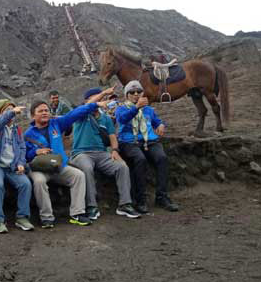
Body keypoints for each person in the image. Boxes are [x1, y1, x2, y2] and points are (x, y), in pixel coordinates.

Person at [25, 99, 108, 228]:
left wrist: (95, 105)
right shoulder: (28, 134)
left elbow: (74, 114)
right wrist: (36, 152)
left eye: (46, 110)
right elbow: (25, 155)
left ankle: (77, 213)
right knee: (39, 181)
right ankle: (46, 217)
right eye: (40, 111)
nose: (44, 113)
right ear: (33, 115)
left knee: (78, 175)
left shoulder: (56, 124)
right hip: (39, 168)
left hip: (58, 166)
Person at [70, 88, 140, 220]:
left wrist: (114, 150)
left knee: (122, 167)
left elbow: (112, 136)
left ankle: (125, 204)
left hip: (101, 153)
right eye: (97, 98)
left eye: (101, 98)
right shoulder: (81, 114)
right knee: (87, 168)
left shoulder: (106, 118)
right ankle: (91, 206)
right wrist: (102, 94)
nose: (101, 100)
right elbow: (88, 106)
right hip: (81, 153)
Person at [115, 80, 179, 213]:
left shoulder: (148, 109)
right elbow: (122, 119)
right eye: (132, 92)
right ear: (127, 95)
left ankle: (162, 196)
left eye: (139, 91)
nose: (136, 94)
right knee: (140, 159)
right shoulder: (121, 108)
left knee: (161, 158)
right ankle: (140, 199)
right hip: (129, 141)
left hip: (149, 141)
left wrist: (161, 125)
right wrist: (136, 107)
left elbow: (157, 121)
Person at [0, 99, 33, 233]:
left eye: (12, 110)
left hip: (12, 166)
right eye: (6, 110)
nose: (11, 114)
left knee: (25, 184)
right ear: (0, 113)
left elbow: (21, 148)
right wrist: (11, 112)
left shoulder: (16, 130)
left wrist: (20, 163)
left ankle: (22, 217)